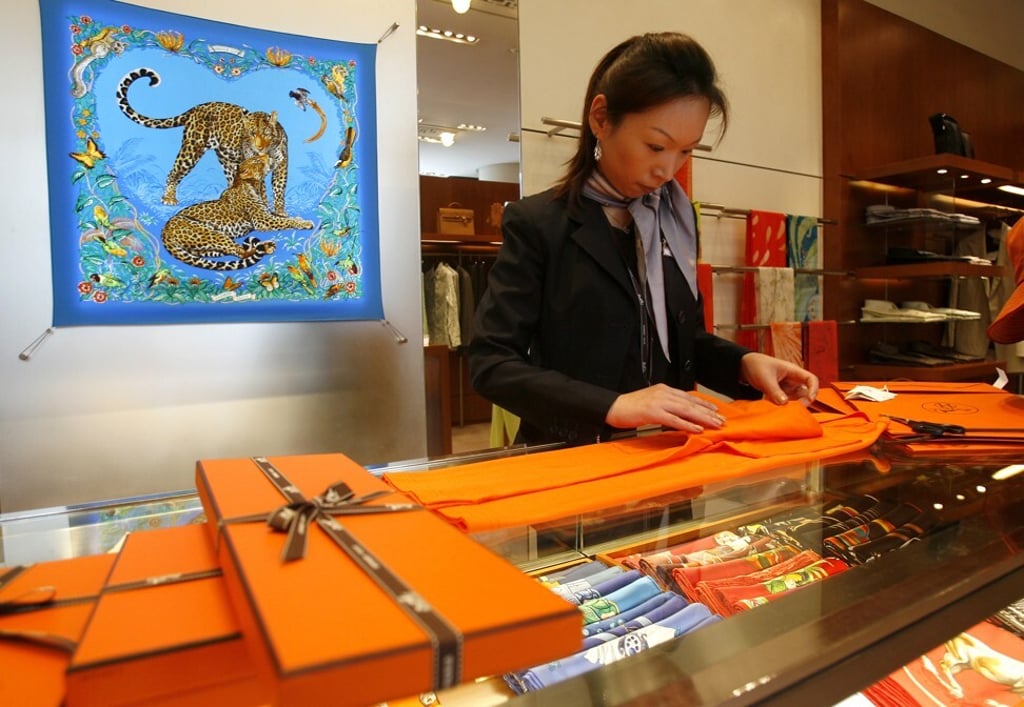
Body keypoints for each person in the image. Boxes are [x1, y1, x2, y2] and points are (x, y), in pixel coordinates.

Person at [468, 32, 819, 447]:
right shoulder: (538, 223)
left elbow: (682, 341)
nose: (668, 171)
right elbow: (492, 363)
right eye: (656, 146)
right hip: (575, 461)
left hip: (670, 453)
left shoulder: (676, 220)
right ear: (600, 118)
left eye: (686, 151)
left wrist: (745, 363)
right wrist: (611, 406)